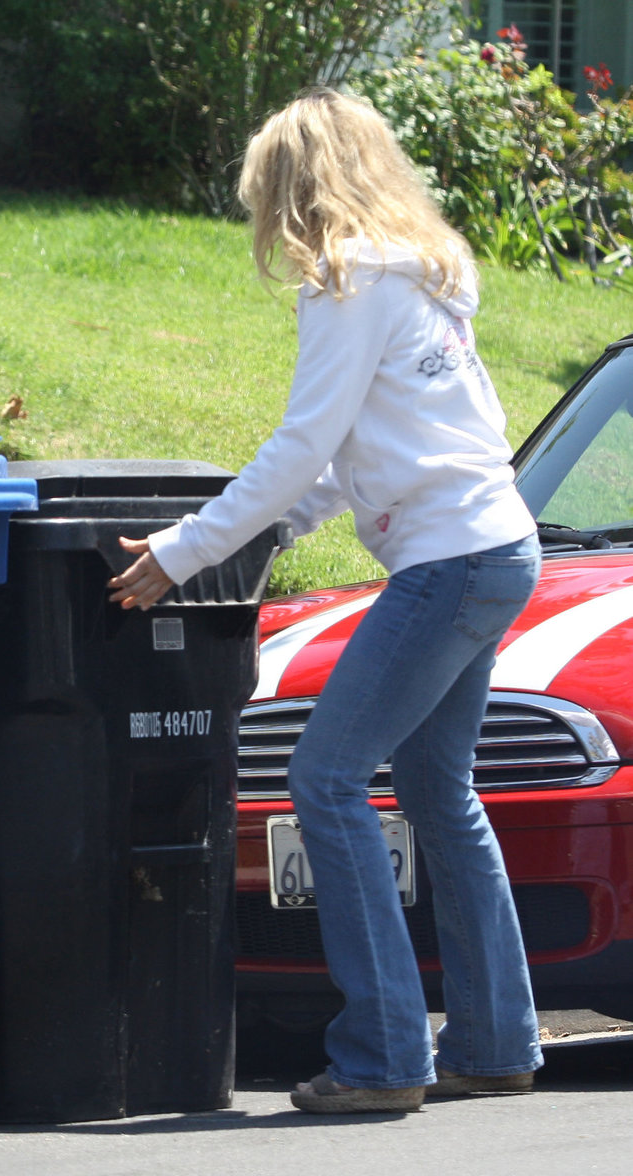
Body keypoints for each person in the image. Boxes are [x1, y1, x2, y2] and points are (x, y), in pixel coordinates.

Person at [106, 87, 544, 1114]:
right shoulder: (423, 279)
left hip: (450, 564)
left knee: (326, 777)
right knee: (439, 790)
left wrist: (180, 549)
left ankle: (385, 1056)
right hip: (496, 549)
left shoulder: (347, 283)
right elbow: (358, 453)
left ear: (294, 191)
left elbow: (302, 442)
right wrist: (276, 531)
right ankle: (493, 1042)